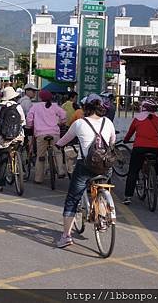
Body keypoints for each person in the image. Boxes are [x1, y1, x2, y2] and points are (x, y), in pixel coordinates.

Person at [55, 94, 116, 248]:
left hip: (86, 166)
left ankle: (66, 236)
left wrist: (58, 145)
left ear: (85, 108)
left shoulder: (79, 124)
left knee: (72, 199)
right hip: (105, 166)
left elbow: (64, 140)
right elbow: (112, 141)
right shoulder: (107, 122)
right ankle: (102, 219)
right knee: (101, 186)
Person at [122, 99, 158, 205]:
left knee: (133, 171)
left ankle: (128, 196)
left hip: (139, 147)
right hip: (156, 147)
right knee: (154, 159)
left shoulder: (137, 118)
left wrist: (126, 140)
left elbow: (130, 132)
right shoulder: (157, 119)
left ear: (143, 107)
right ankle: (155, 178)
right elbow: (157, 132)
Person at [0, 87, 26, 192]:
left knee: (3, 160)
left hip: (4, 137)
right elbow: (23, 120)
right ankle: (22, 168)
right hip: (17, 135)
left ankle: (0, 185)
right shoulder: (18, 107)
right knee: (19, 150)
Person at [27, 90, 67, 184]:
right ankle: (60, 170)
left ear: (40, 97)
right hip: (54, 133)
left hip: (41, 134)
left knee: (41, 156)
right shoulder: (55, 106)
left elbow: (29, 118)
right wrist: (62, 122)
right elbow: (64, 115)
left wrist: (29, 125)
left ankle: (38, 178)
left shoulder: (35, 106)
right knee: (57, 152)